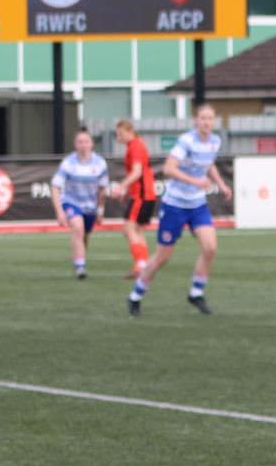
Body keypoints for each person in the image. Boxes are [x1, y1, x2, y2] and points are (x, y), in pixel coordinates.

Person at [128, 103, 228, 316]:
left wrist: (220, 184)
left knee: (210, 248)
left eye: (210, 118)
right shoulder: (186, 141)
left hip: (197, 204)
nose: (207, 122)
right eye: (203, 118)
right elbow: (168, 168)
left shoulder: (215, 141)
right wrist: (195, 181)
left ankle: (196, 293)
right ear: (195, 120)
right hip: (174, 205)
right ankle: (136, 295)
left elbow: (209, 164)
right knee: (162, 257)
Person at [50, 129, 108, 280]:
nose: (83, 145)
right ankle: (80, 267)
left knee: (85, 235)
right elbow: (55, 186)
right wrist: (59, 212)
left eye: (86, 141)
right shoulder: (68, 163)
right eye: (80, 142)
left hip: (90, 206)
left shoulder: (100, 163)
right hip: (71, 202)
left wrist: (100, 211)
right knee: (77, 227)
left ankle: (79, 257)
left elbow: (102, 189)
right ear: (75, 145)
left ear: (92, 144)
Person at [108, 118, 157, 278]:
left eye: (120, 134)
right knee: (137, 230)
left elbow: (136, 173)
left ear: (130, 131)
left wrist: (121, 187)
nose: (118, 138)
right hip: (145, 194)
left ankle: (141, 265)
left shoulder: (135, 145)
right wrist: (127, 191)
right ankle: (144, 265)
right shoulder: (136, 145)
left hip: (142, 195)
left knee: (129, 229)